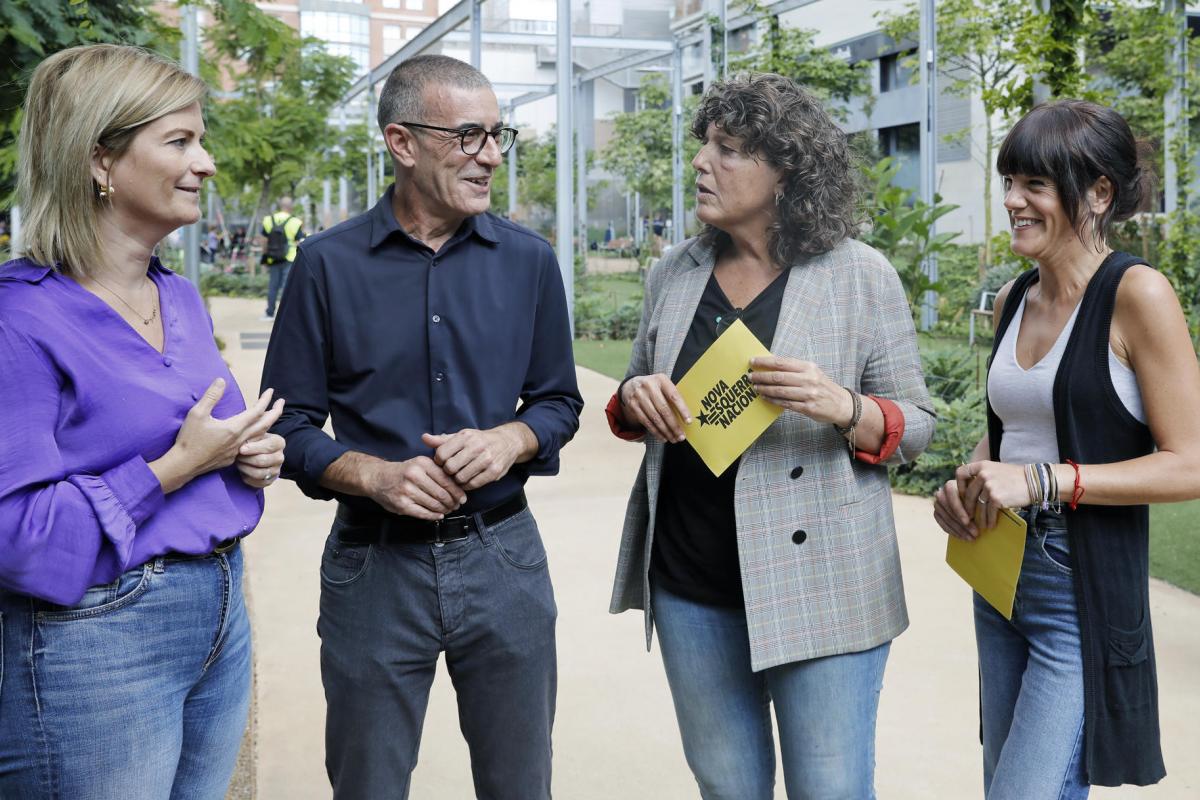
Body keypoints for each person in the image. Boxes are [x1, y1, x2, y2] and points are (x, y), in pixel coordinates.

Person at [260, 54, 583, 800]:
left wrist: (510, 439)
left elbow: (558, 403)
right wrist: (372, 474)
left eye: (498, 135)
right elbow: (288, 427)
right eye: (469, 135)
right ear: (401, 142)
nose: (492, 155)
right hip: (372, 568)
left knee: (520, 786)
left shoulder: (530, 262)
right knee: (368, 785)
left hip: (504, 561)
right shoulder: (325, 265)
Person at [606, 73, 935, 799]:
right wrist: (635, 398)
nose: (702, 162)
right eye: (705, 145)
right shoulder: (674, 273)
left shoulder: (860, 276)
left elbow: (918, 427)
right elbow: (629, 400)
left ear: (786, 170)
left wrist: (844, 406)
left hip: (824, 583)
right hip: (691, 581)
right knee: (728, 788)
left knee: (830, 790)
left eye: (728, 149)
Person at [0, 44, 286, 798]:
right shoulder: (18, 318)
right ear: (100, 159)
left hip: (218, 610)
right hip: (98, 639)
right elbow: (16, 537)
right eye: (180, 141)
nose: (207, 164)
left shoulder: (179, 295)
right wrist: (175, 468)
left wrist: (247, 456)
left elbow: (211, 437)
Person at [933, 100, 1200, 797]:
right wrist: (966, 483)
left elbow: (1191, 463)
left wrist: (1044, 481)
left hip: (1075, 584)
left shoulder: (1137, 294)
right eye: (1009, 183)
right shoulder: (1013, 298)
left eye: (1035, 185)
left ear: (1099, 193)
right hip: (999, 570)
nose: (1012, 202)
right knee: (1004, 782)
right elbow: (1011, 431)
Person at [260, 195, 303, 319]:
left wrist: (265, 256)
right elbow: (300, 242)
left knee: (273, 286)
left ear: (280, 206)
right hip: (289, 258)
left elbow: (264, 240)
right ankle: (284, 315)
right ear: (291, 207)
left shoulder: (268, 220)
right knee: (286, 287)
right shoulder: (295, 222)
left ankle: (270, 313)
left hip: (273, 257)